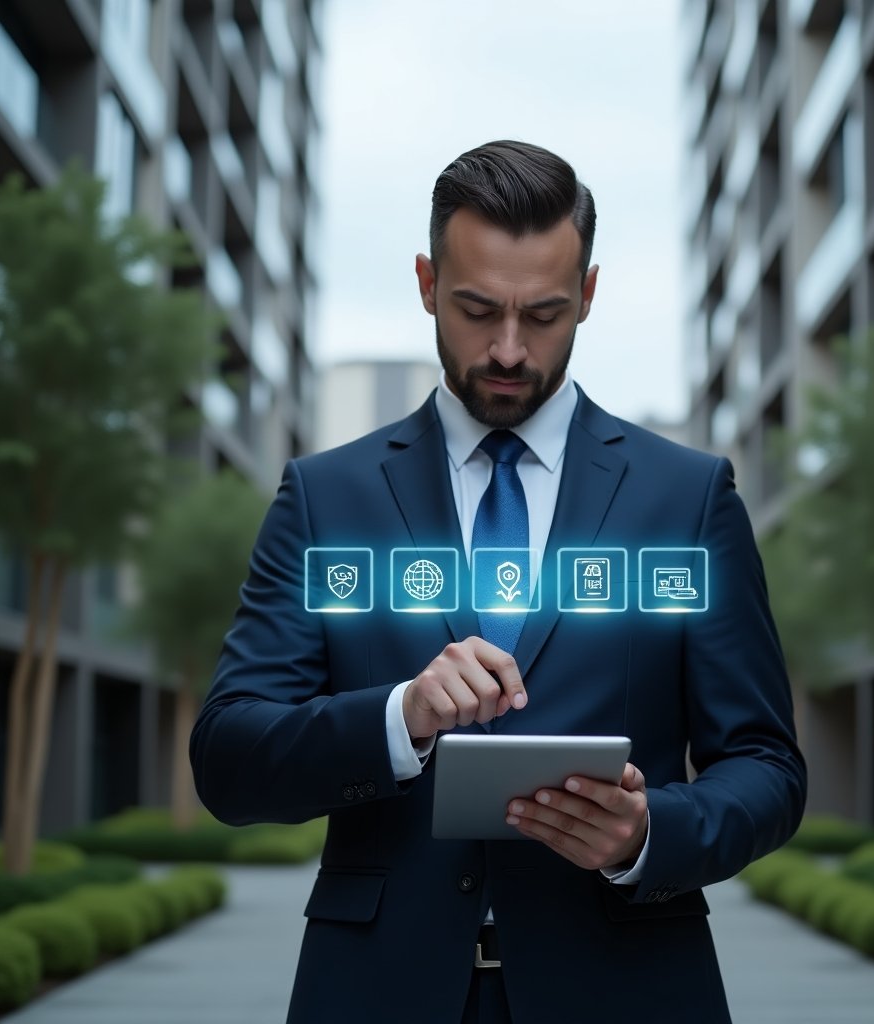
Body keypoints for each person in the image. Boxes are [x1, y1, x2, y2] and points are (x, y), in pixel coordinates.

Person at [191, 140, 806, 1024]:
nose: (510, 350)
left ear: (588, 294)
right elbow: (229, 758)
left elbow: (767, 765)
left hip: (627, 988)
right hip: (377, 994)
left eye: (546, 314)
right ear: (425, 281)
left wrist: (648, 836)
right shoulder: (329, 499)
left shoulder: (688, 498)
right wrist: (398, 718)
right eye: (477, 310)